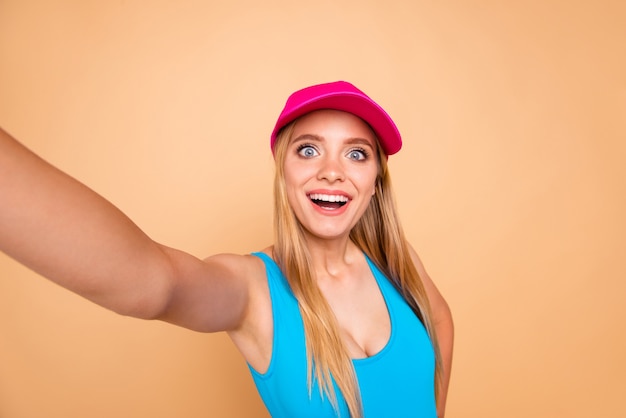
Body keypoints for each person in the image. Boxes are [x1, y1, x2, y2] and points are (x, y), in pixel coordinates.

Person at [0, 81, 453, 417]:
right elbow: (156, 283)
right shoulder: (253, 290)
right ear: (283, 174)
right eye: (309, 150)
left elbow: (440, 323)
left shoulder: (397, 261)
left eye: (356, 154)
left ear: (375, 183)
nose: (332, 171)